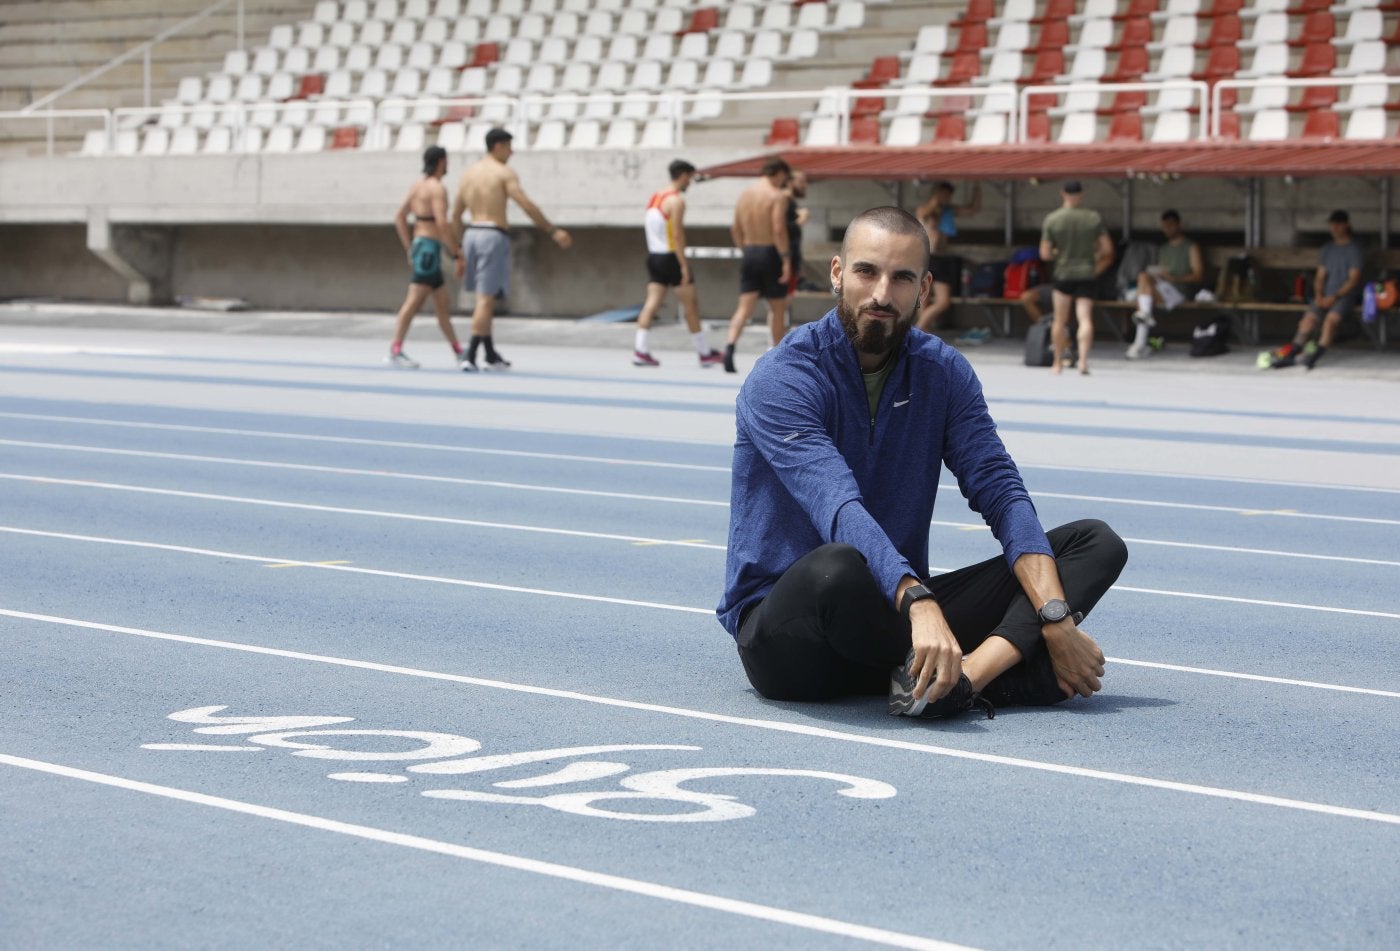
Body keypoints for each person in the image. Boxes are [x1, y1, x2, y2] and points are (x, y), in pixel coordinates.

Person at [718, 206, 1128, 721]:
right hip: (793, 638)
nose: (882, 295)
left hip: (897, 620)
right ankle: (968, 673)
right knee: (836, 567)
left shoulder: (943, 373)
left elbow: (1000, 490)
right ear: (838, 273)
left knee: (1093, 542)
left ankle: (965, 678)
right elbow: (837, 505)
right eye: (867, 272)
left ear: (925, 288)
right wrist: (920, 602)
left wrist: (1056, 618)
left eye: (902, 278)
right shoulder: (784, 377)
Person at [450, 127, 572, 371]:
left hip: (472, 232)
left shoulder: (469, 174)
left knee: (486, 297)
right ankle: (471, 354)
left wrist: (459, 247)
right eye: (509, 147)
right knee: (486, 299)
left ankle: (490, 352)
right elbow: (525, 203)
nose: (512, 152)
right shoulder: (504, 173)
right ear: (498, 146)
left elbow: (455, 215)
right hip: (492, 234)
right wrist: (551, 230)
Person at [632, 159, 724, 368]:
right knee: (691, 304)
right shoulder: (676, 201)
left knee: (652, 303)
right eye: (690, 178)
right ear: (683, 175)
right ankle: (703, 352)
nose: (690, 183)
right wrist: (683, 265)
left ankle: (641, 349)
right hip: (671, 256)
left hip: (654, 255)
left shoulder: (656, 197)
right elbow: (677, 234)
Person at [387, 146, 466, 369]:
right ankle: (395, 349)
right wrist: (456, 252)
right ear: (441, 162)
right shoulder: (437, 189)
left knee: (442, 302)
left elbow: (400, 217)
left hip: (423, 246)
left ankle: (458, 350)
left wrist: (410, 247)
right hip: (429, 249)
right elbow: (441, 222)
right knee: (413, 301)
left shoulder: (417, 186)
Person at [722, 158, 793, 374]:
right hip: (770, 251)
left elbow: (735, 228)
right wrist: (786, 258)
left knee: (744, 307)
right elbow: (778, 229)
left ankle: (730, 347)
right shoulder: (776, 196)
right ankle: (778, 357)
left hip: (750, 250)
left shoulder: (745, 195)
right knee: (777, 307)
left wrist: (745, 250)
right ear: (779, 173)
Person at [1270, 209, 1364, 371]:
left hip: (1344, 295)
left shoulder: (1354, 249)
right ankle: (1293, 351)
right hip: (1326, 294)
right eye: (1331, 225)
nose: (1334, 228)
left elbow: (1353, 279)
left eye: (1337, 225)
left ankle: (1314, 355)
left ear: (1346, 225)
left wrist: (1334, 296)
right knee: (1308, 319)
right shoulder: (1327, 249)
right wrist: (1319, 294)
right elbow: (1320, 276)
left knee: (1331, 321)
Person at [1040, 181, 1114, 376]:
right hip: (1087, 274)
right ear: (1082, 194)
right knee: (1085, 318)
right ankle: (1082, 361)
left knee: (1059, 320)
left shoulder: (1052, 219)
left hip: (1063, 274)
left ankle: (1057, 362)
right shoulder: (1093, 218)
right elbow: (1107, 249)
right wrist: (1094, 260)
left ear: (1063, 193)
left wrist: (1058, 252)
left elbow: (1045, 254)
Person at [1125, 209, 1205, 360]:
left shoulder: (1190, 247)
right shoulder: (1163, 249)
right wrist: (1159, 275)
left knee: (1142, 299)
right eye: (1164, 226)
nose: (1167, 229)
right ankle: (1143, 325)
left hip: (1179, 291)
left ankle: (1140, 341)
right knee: (1143, 277)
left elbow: (1198, 275)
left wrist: (1174, 278)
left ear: (1178, 225)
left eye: (1170, 225)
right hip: (1163, 288)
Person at [915, 179, 981, 333]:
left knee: (943, 301)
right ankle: (921, 332)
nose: (946, 198)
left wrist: (977, 188)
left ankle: (918, 330)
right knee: (924, 299)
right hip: (927, 256)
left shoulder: (948, 211)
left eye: (948, 196)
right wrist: (936, 198)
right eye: (944, 195)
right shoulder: (925, 210)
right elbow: (926, 215)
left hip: (941, 258)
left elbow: (972, 210)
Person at [784, 169, 814, 295]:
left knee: (782, 304)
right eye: (801, 181)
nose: (805, 185)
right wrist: (800, 220)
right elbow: (780, 230)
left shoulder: (791, 202)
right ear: (790, 182)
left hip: (790, 261)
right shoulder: (783, 201)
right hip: (784, 262)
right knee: (781, 303)